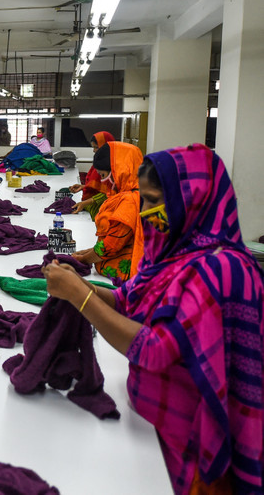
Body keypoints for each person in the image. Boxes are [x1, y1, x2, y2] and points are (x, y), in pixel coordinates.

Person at [43, 144, 263, 494]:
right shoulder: (172, 254)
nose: (145, 212)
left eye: (153, 201)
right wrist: (82, 285)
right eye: (144, 200)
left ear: (191, 200)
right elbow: (125, 299)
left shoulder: (220, 269)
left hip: (188, 445)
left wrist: (79, 297)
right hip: (148, 430)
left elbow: (156, 350)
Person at [72, 142, 144, 282]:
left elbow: (111, 246)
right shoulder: (130, 194)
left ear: (120, 170)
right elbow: (119, 240)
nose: (102, 181)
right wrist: (89, 251)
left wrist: (83, 259)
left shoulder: (130, 201)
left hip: (124, 280)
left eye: (103, 175)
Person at [70, 131, 116, 216]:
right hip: (93, 208)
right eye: (93, 147)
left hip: (101, 209)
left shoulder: (112, 166)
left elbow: (108, 193)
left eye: (96, 147)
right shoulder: (100, 162)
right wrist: (84, 187)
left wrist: (86, 203)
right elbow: (100, 187)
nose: (94, 150)